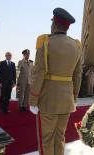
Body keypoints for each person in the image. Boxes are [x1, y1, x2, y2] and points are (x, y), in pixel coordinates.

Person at [29, 8, 82, 155]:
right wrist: (75, 96)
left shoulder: (45, 42)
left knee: (46, 139)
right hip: (66, 100)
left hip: (48, 100)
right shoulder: (76, 45)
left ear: (54, 24)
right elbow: (78, 74)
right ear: (67, 26)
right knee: (60, 137)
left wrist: (33, 99)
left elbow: (39, 72)